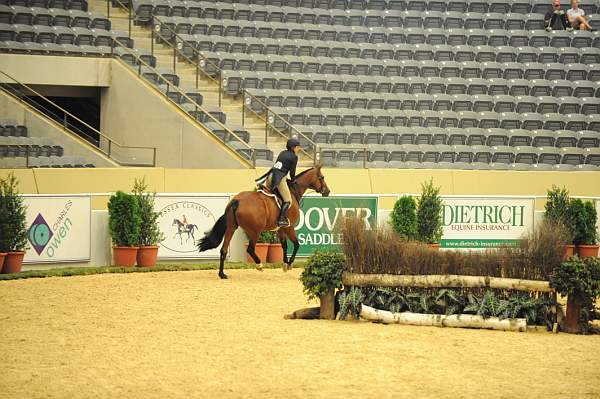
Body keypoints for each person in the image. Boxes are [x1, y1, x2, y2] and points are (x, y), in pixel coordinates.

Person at [255, 138, 300, 227]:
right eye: (297, 147)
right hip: (279, 179)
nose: (299, 149)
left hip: (270, 176)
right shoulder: (294, 157)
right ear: (293, 148)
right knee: (288, 200)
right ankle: (281, 219)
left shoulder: (282, 153)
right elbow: (292, 172)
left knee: (273, 197)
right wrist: (294, 180)